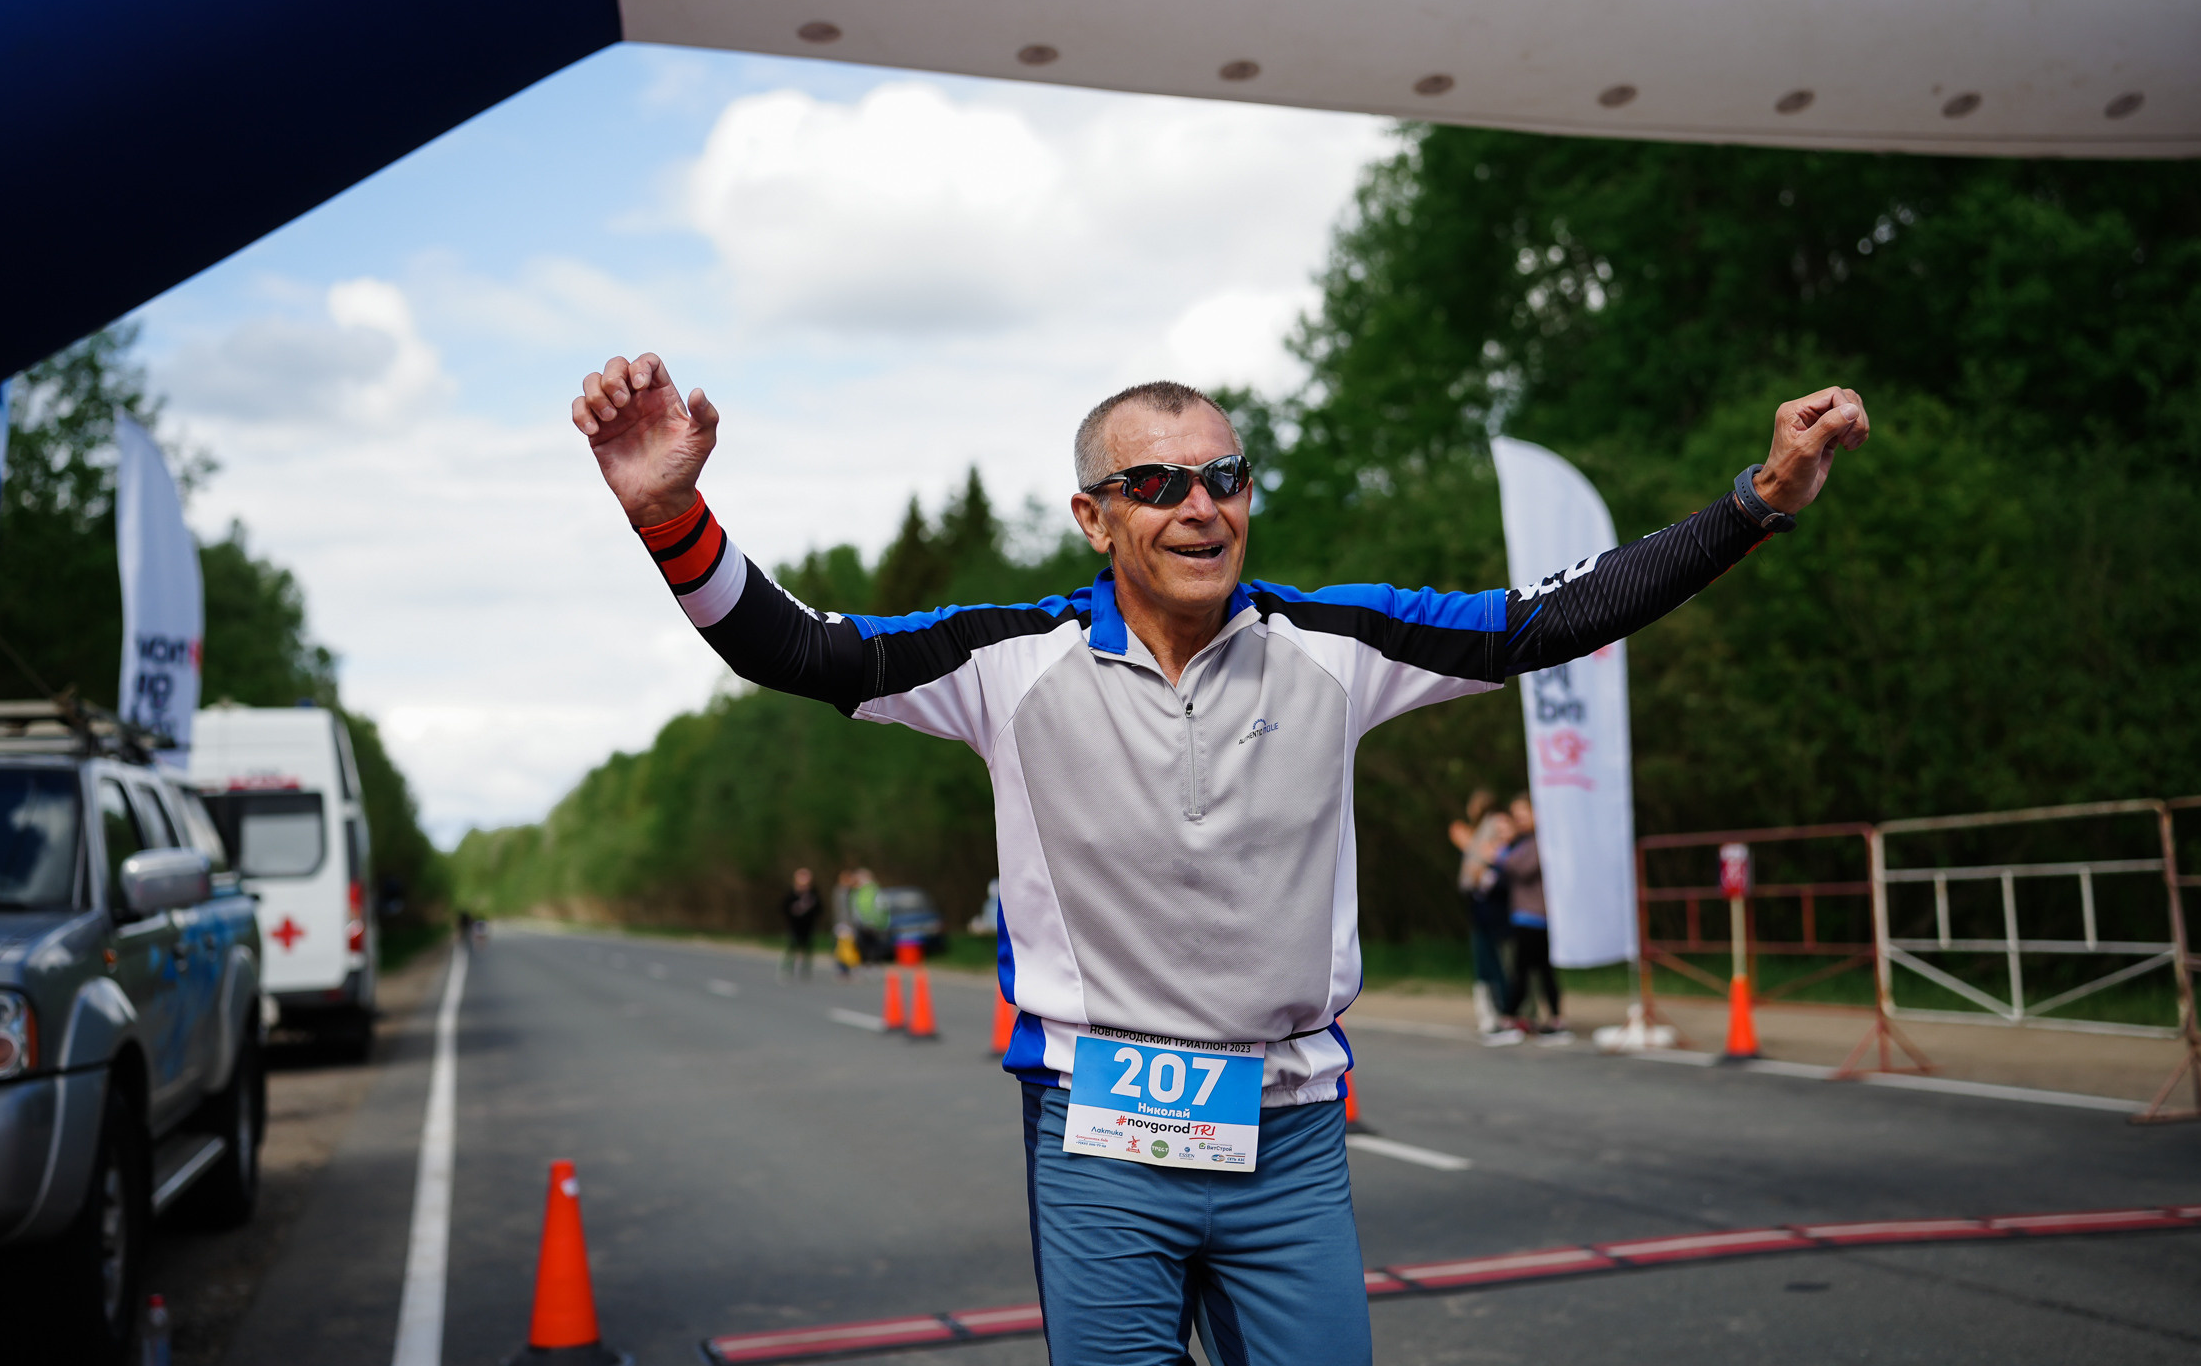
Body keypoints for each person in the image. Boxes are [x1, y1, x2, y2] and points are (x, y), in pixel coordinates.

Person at [573, 354, 1866, 1366]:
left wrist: (1757, 504)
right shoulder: (1006, 661)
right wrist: (675, 520)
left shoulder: (1336, 645)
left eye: (1226, 478)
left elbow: (1552, 617)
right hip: (1098, 1132)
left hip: (1288, 1131)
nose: (1202, 505)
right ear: (1093, 516)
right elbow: (796, 649)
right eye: (1160, 484)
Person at [1495, 794, 1569, 1043]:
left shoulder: (1541, 841)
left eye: (1523, 814)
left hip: (1535, 916)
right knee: (1534, 970)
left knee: (1527, 970)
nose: (1519, 820)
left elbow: (1522, 869)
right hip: (1524, 915)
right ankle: (1546, 1017)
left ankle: (1512, 1018)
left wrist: (1497, 854)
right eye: (1516, 816)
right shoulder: (1523, 842)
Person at [1448, 790, 1511, 1035]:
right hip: (1480, 907)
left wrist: (1466, 845)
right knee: (1486, 963)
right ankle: (1491, 1014)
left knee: (1497, 964)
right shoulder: (1481, 828)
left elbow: (1487, 866)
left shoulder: (1493, 824)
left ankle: (1503, 1014)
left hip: (1495, 907)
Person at [781, 867, 823, 978]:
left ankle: (805, 969)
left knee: (807, 947)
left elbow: (820, 908)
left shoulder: (813, 894)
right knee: (792, 946)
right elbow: (784, 908)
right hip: (794, 925)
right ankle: (788, 967)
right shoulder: (792, 894)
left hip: (808, 925)